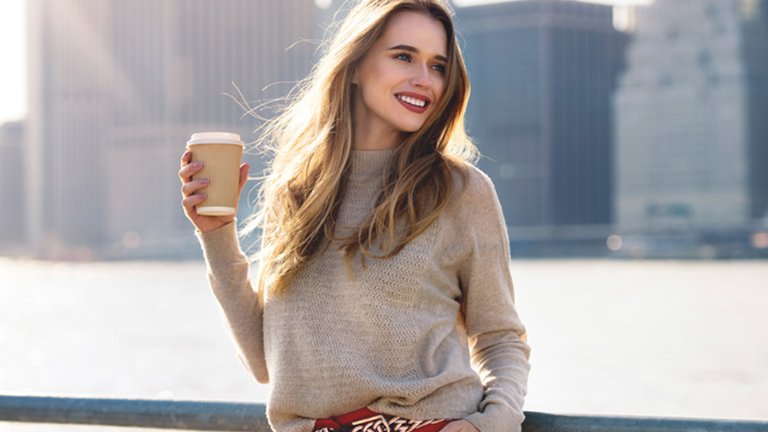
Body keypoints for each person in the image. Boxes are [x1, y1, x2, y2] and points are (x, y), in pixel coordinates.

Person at [178, 1, 530, 431]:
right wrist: (217, 235)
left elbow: (500, 338)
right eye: (404, 56)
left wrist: (488, 426)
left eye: (438, 66)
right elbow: (263, 362)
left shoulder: (460, 190)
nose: (424, 80)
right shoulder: (297, 190)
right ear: (356, 66)